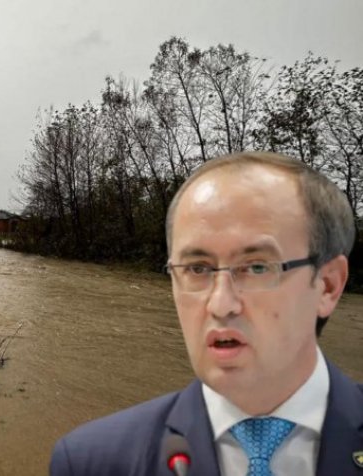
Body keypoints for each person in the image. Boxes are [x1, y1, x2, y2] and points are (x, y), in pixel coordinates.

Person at [49, 152, 362, 475]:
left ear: (327, 286)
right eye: (197, 268)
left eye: (256, 267)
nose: (220, 304)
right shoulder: (92, 462)